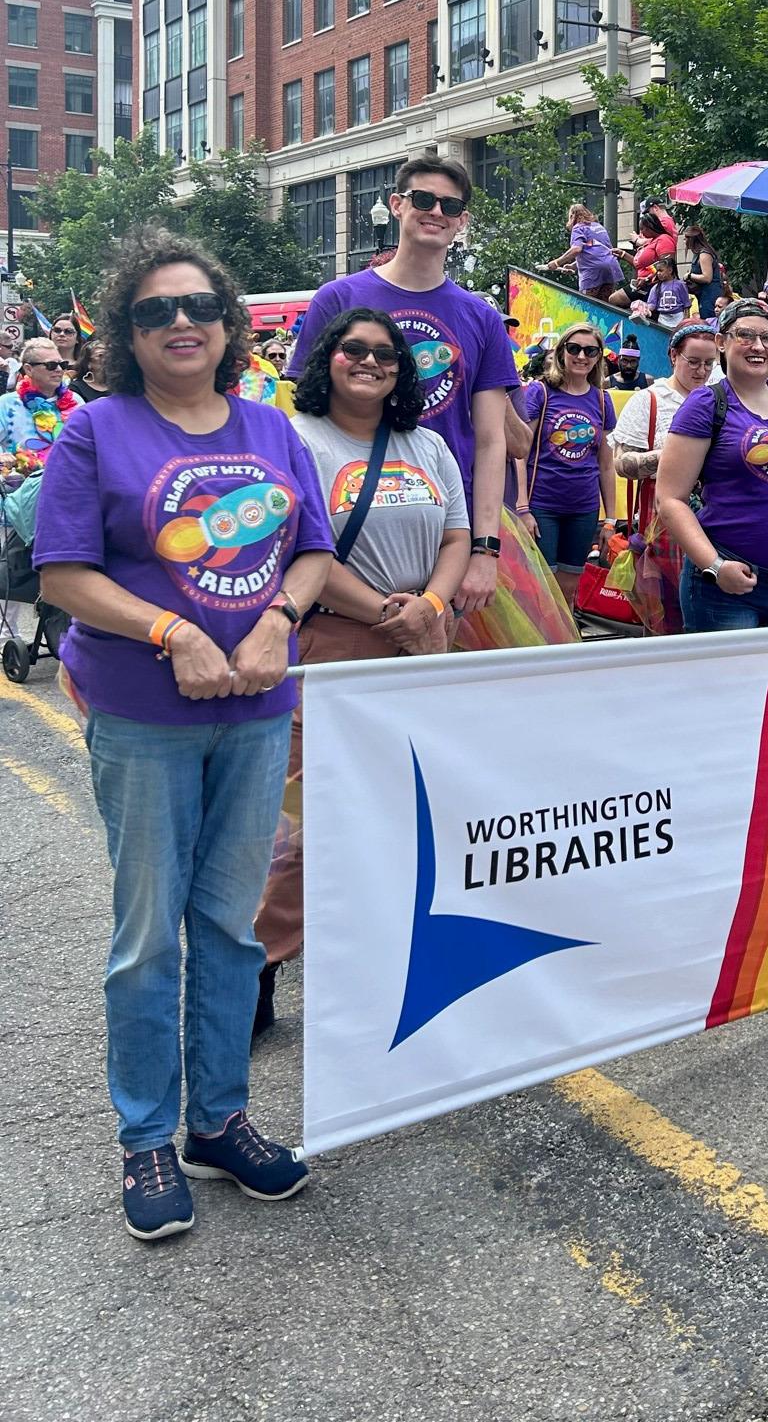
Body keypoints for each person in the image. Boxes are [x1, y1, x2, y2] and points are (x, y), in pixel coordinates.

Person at [32, 230, 333, 1240]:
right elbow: (62, 576)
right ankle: (146, 1137)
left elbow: (311, 556)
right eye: (157, 310)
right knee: (147, 937)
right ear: (128, 330)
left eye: (199, 306)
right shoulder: (95, 434)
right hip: (144, 714)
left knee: (231, 927)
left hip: (255, 711)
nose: (181, 324)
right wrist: (172, 632)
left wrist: (277, 621)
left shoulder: (271, 427)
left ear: (229, 323)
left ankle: (219, 1120)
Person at [254, 307, 471, 1036]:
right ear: (327, 358)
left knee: (407, 817)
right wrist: (388, 610)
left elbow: (458, 533)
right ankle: (259, 959)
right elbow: (297, 550)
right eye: (354, 349)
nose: (371, 361)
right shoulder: (297, 439)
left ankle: (386, 961)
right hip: (334, 648)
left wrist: (432, 605)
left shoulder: (429, 444)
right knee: (313, 825)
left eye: (386, 353)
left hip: (424, 646)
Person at [288, 152, 522, 616]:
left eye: (450, 207)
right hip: (343, 532)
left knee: (438, 675)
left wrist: (484, 549)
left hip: (446, 537)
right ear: (396, 204)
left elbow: (493, 440)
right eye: (423, 199)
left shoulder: (481, 317)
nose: (436, 212)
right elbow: (306, 415)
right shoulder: (338, 298)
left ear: (462, 222)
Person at [657, 299, 768, 632]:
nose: (758, 346)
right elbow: (669, 498)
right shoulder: (706, 404)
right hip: (726, 589)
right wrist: (714, 566)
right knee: (727, 684)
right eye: (745, 335)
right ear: (722, 342)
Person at [517, 321, 617, 591]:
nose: (582, 356)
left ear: (598, 357)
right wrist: (522, 508)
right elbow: (519, 453)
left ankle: (566, 635)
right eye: (574, 348)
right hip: (542, 505)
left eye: (590, 351)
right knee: (542, 590)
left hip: (583, 508)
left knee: (570, 589)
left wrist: (610, 519)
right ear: (562, 352)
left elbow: (606, 465)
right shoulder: (541, 392)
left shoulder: (602, 400)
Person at [614, 321, 719, 484]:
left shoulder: (719, 399)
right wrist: (675, 453)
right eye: (693, 361)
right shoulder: (649, 399)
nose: (701, 370)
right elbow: (621, 464)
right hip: (660, 504)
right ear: (674, 355)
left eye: (709, 363)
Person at [0, 337, 76, 467]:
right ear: (29, 369)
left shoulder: (75, 401)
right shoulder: (7, 403)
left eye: (62, 365)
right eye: (50, 365)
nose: (59, 369)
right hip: (21, 484)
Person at [545, 202, 627, 305]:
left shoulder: (578, 228)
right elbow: (599, 250)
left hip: (592, 273)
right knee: (605, 307)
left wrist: (556, 262)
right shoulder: (599, 227)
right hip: (610, 269)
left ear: (572, 216)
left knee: (588, 307)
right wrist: (573, 266)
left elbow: (576, 249)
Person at [683, 225, 722, 320]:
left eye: (685, 239)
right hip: (703, 294)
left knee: (709, 320)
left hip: (709, 295)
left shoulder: (704, 254)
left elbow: (707, 277)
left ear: (691, 239)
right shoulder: (699, 253)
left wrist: (689, 276)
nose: (684, 241)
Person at [646, 254, 691, 329]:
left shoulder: (680, 285)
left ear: (670, 270)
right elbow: (651, 305)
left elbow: (686, 305)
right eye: (657, 271)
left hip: (678, 318)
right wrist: (643, 310)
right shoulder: (655, 288)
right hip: (663, 319)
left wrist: (685, 321)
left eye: (661, 270)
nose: (658, 273)